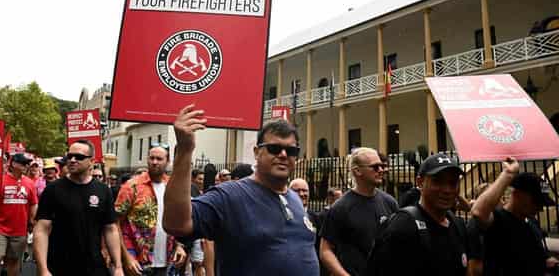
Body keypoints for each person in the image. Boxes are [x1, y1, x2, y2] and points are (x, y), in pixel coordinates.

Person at [163, 106, 320, 276]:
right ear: (256, 152)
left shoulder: (295, 199)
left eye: (291, 150)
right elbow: (176, 224)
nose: (283, 154)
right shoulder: (229, 196)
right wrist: (185, 151)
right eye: (274, 148)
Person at [366, 153, 469, 276]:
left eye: (452, 183)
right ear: (420, 183)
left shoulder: (458, 226)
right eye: (438, 182)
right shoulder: (402, 227)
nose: (447, 190)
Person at [34, 140, 124, 276]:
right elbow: (41, 230)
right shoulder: (53, 189)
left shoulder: (103, 190)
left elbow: (110, 229)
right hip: (59, 266)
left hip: (94, 266)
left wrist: (118, 266)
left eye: (79, 157)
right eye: (69, 156)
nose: (72, 160)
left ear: (91, 162)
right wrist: (43, 269)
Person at [471, 158, 559, 276]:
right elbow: (478, 212)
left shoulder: (532, 223)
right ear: (518, 194)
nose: (540, 208)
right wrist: (508, 174)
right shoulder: (499, 220)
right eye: (536, 202)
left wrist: (547, 262)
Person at [319, 147, 398, 276]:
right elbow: (325, 250)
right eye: (375, 167)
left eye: (382, 166)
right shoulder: (340, 207)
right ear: (357, 171)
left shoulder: (390, 202)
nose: (381, 170)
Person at [115, 142, 187, 276]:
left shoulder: (172, 186)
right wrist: (126, 257)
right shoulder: (131, 186)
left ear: (167, 161)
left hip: (167, 261)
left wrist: (179, 245)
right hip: (137, 261)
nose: (154, 162)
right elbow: (115, 223)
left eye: (159, 159)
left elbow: (177, 221)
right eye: (151, 158)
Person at [0, 152, 38, 276]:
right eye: (23, 163)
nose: (26, 166)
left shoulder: (30, 183)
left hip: (19, 230)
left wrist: (32, 221)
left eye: (27, 164)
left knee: (14, 260)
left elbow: (34, 203)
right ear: (13, 164)